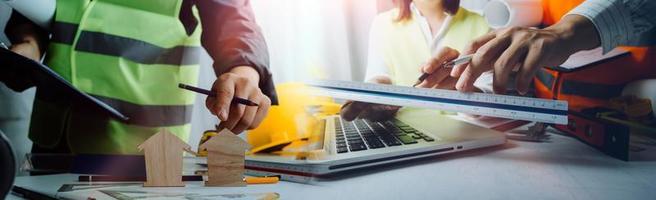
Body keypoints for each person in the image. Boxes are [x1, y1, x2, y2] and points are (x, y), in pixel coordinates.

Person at [3, 0, 276, 155]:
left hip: (144, 149)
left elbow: (235, 21)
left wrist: (244, 74)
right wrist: (28, 42)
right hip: (55, 142)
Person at [440, 0, 656, 95]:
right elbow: (528, 79)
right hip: (554, 139)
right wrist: (475, 94)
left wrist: (564, 33)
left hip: (636, 133)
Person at [341, 0, 492, 121]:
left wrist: (466, 92)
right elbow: (379, 74)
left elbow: (492, 93)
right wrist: (376, 88)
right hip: (403, 130)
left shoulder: (483, 22)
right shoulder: (382, 23)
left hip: (464, 133)